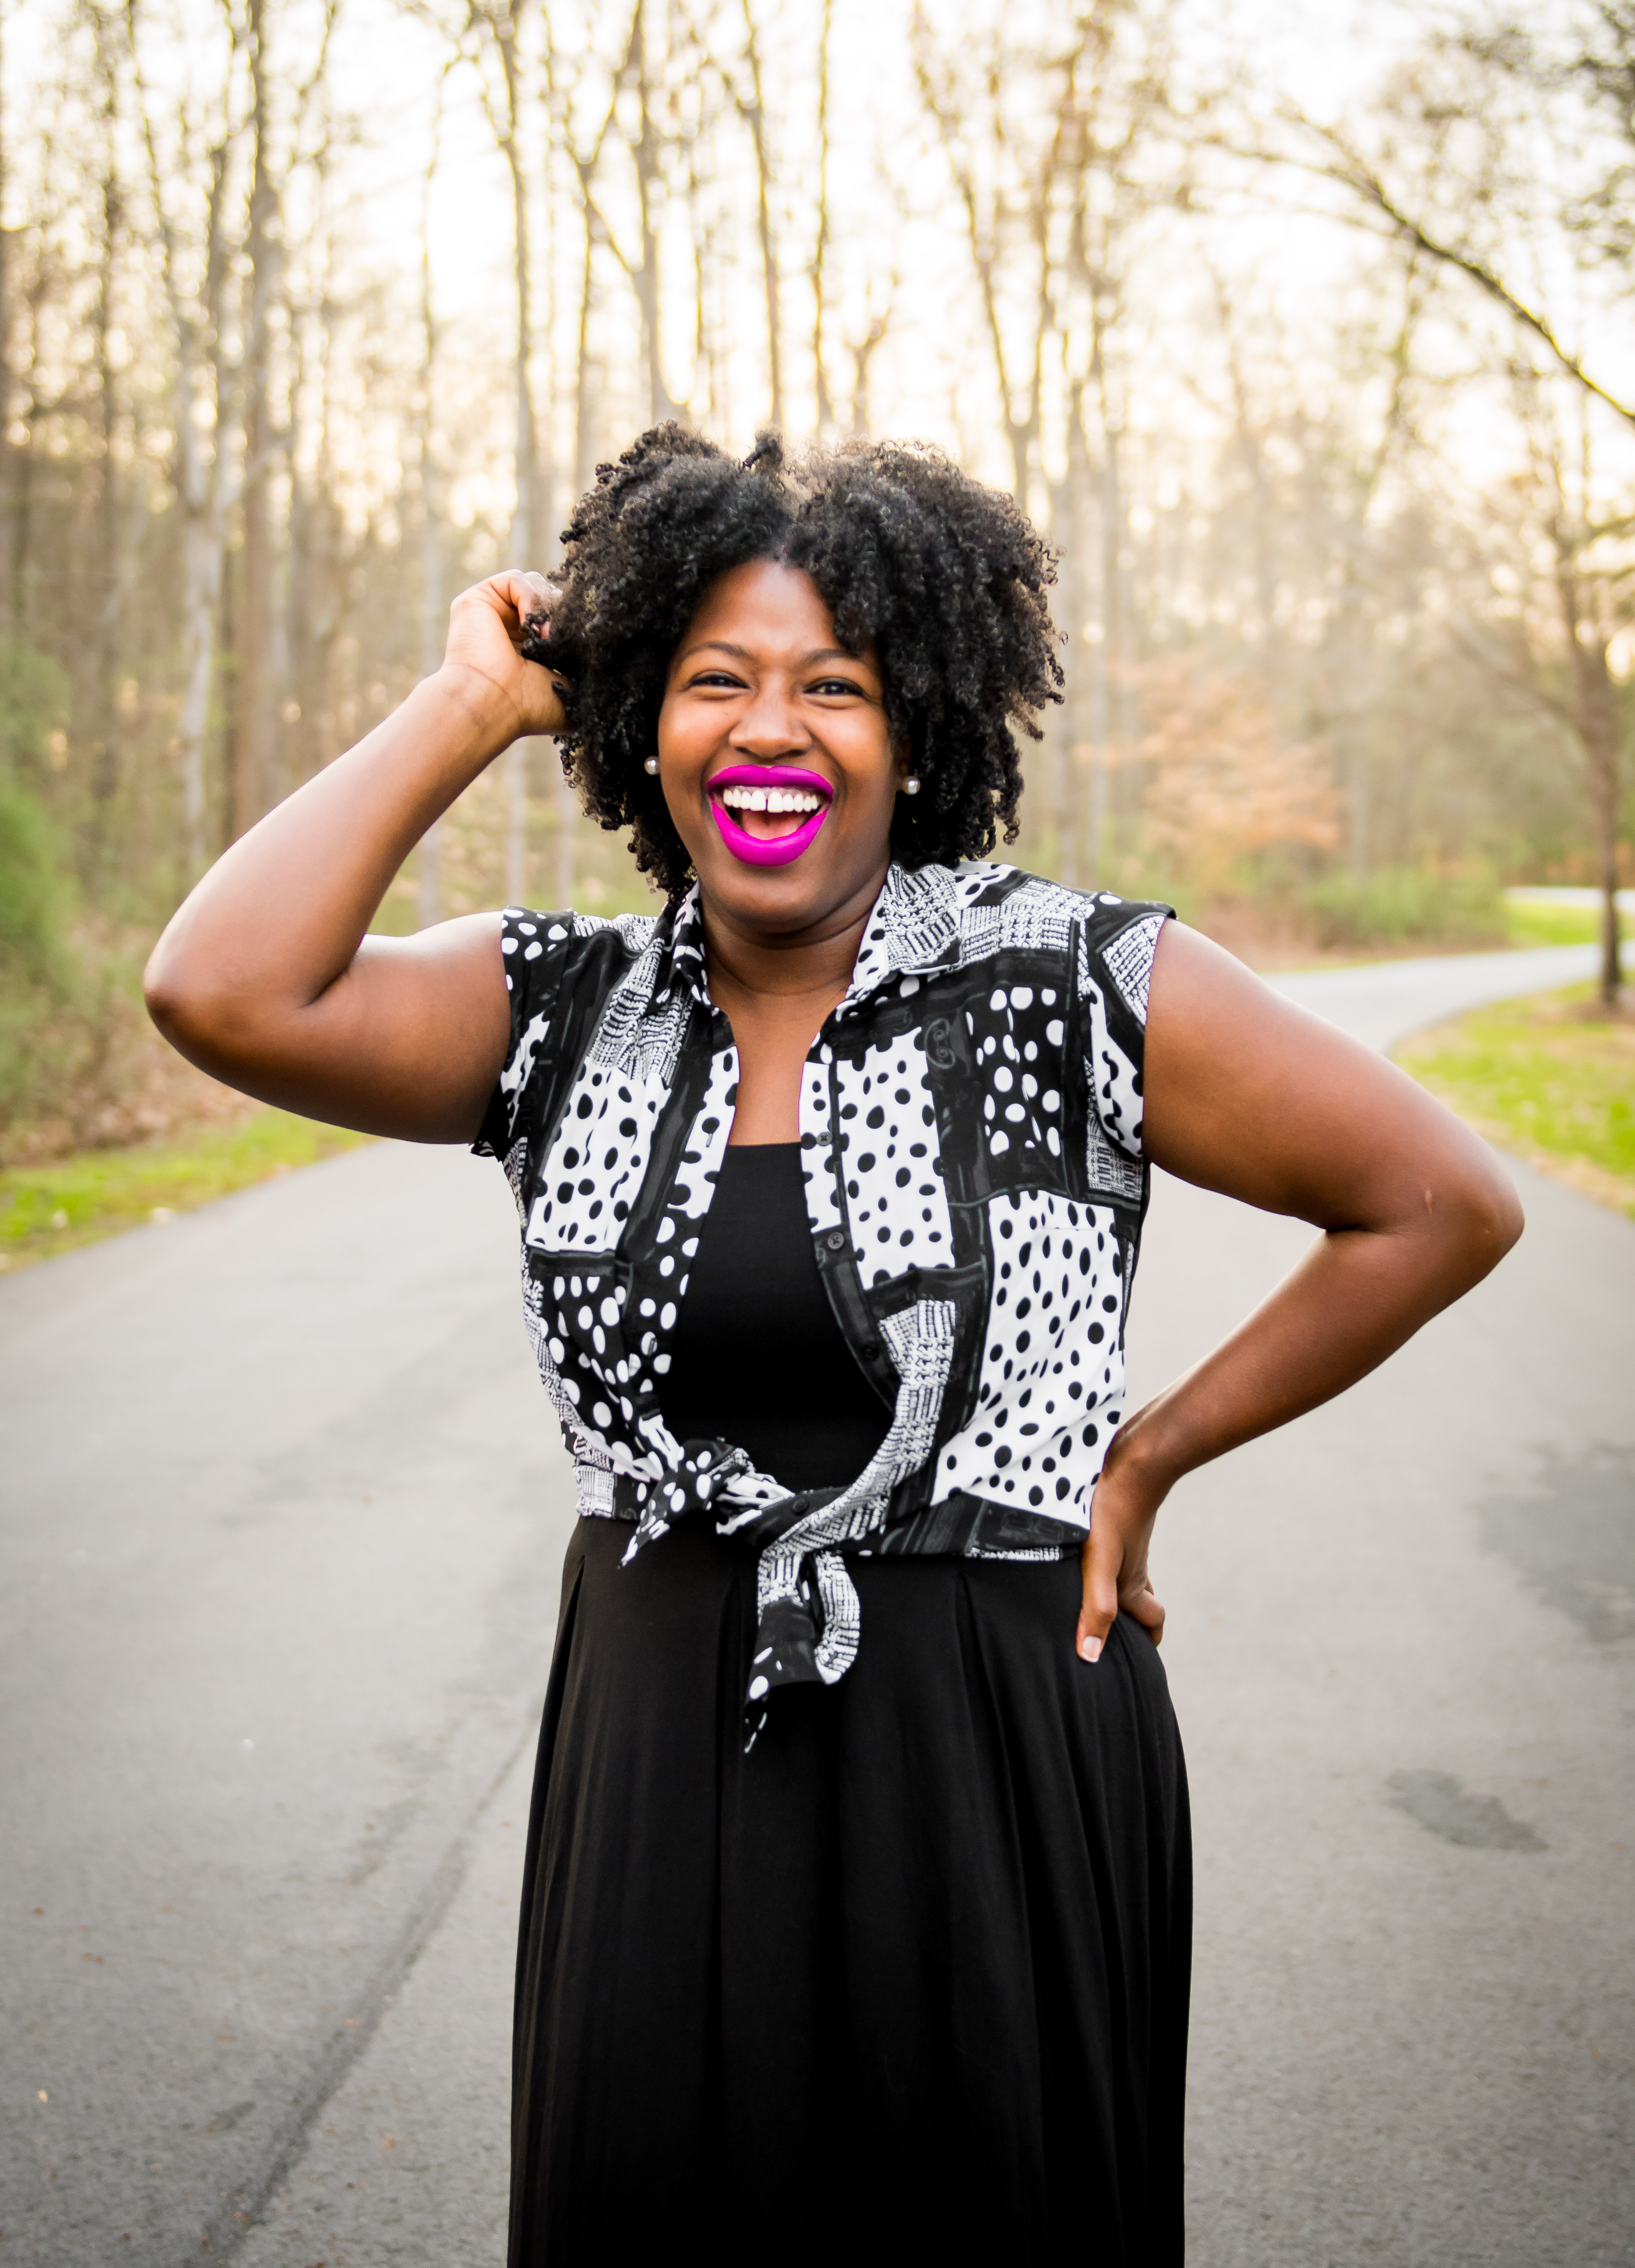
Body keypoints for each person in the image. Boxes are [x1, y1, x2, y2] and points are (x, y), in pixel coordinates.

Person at [144, 425, 1522, 2267]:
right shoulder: (563, 1010)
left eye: (837, 687)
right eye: (713, 680)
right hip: (658, 1731)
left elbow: (1438, 1204)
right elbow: (219, 988)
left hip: (994, 1739)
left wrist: (1148, 1453)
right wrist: (471, 705)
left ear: (919, 730)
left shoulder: (1070, 984)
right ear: (639, 726)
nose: (771, 729)